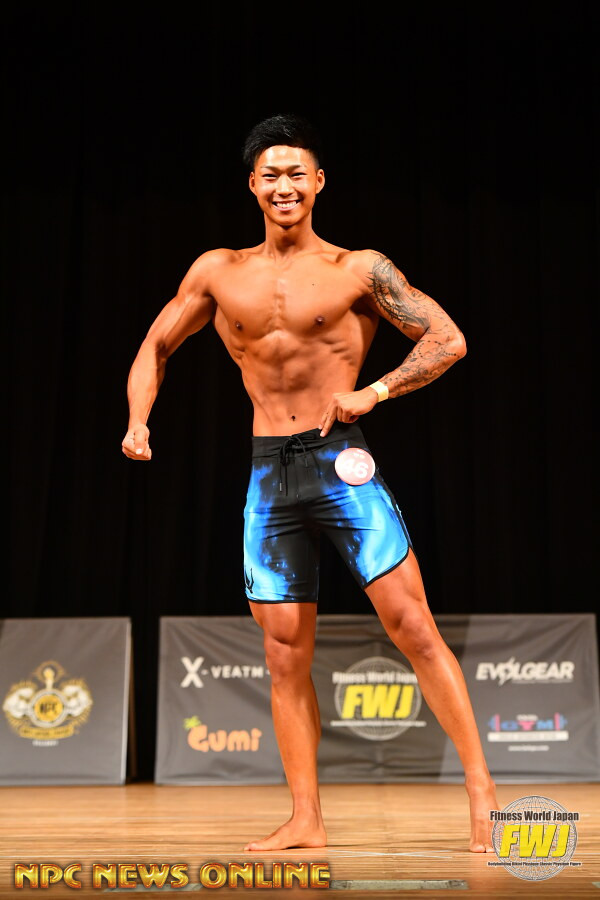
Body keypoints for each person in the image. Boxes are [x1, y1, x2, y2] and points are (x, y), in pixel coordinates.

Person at [122, 113, 498, 852]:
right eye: (271, 174)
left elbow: (448, 338)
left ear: (319, 182)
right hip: (269, 476)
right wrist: (138, 419)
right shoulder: (218, 271)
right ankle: (306, 818)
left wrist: (376, 392)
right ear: (253, 185)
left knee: (414, 627)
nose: (284, 185)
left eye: (297, 173)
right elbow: (155, 345)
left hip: (340, 463)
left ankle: (482, 791)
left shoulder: (358, 269)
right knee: (283, 653)